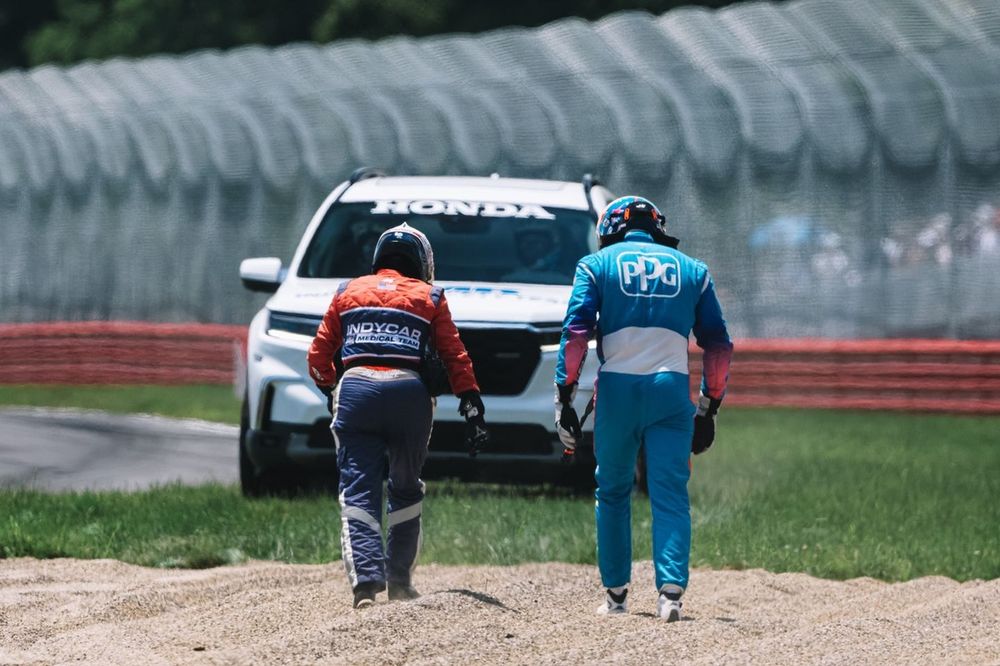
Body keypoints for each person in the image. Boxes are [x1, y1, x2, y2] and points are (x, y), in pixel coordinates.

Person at [554, 196, 733, 621]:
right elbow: (719, 345)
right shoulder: (693, 269)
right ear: (656, 227)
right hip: (671, 393)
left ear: (611, 230)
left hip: (616, 392)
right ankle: (670, 593)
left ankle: (616, 596)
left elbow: (575, 334)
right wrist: (709, 408)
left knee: (613, 491)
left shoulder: (595, 266)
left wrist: (565, 397)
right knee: (670, 493)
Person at [307, 223, 489, 609]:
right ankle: (400, 580)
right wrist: (471, 404)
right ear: (422, 263)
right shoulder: (432, 296)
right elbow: (456, 356)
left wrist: (331, 388)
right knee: (406, 487)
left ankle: (365, 585)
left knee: (358, 489)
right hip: (411, 396)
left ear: (378, 258)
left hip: (356, 391)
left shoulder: (346, 291)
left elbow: (318, 357)